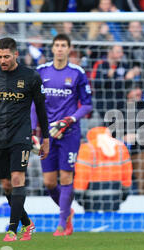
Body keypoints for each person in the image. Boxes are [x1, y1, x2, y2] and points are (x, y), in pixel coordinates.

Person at [0, 37, 50, 242]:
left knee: (18, 179)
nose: (2, 60)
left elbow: (42, 110)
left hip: (22, 135)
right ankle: (27, 223)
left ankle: (12, 229)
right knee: (7, 185)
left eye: (6, 56)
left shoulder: (31, 77)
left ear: (16, 54)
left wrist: (46, 138)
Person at [31, 33, 92, 236]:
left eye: (63, 45)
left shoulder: (77, 73)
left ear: (69, 49)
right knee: (49, 182)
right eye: (56, 45)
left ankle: (62, 222)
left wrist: (70, 119)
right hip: (47, 135)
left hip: (70, 133)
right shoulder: (40, 72)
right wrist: (32, 130)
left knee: (66, 177)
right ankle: (68, 211)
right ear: (52, 48)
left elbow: (88, 105)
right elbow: (33, 104)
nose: (59, 48)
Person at [74, 126, 132, 211]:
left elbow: (82, 175)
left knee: (93, 222)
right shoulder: (120, 147)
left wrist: (79, 196)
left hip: (91, 196)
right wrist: (125, 193)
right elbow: (127, 173)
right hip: (115, 194)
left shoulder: (87, 148)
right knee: (112, 222)